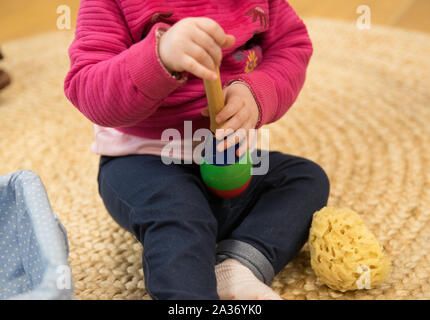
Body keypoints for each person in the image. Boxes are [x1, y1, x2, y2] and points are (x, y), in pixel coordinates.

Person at [64, 0, 330, 300]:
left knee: (304, 179)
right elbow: (87, 87)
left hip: (228, 156)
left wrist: (257, 91)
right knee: (180, 218)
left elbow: (290, 45)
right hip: (146, 159)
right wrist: (159, 57)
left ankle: (237, 267)